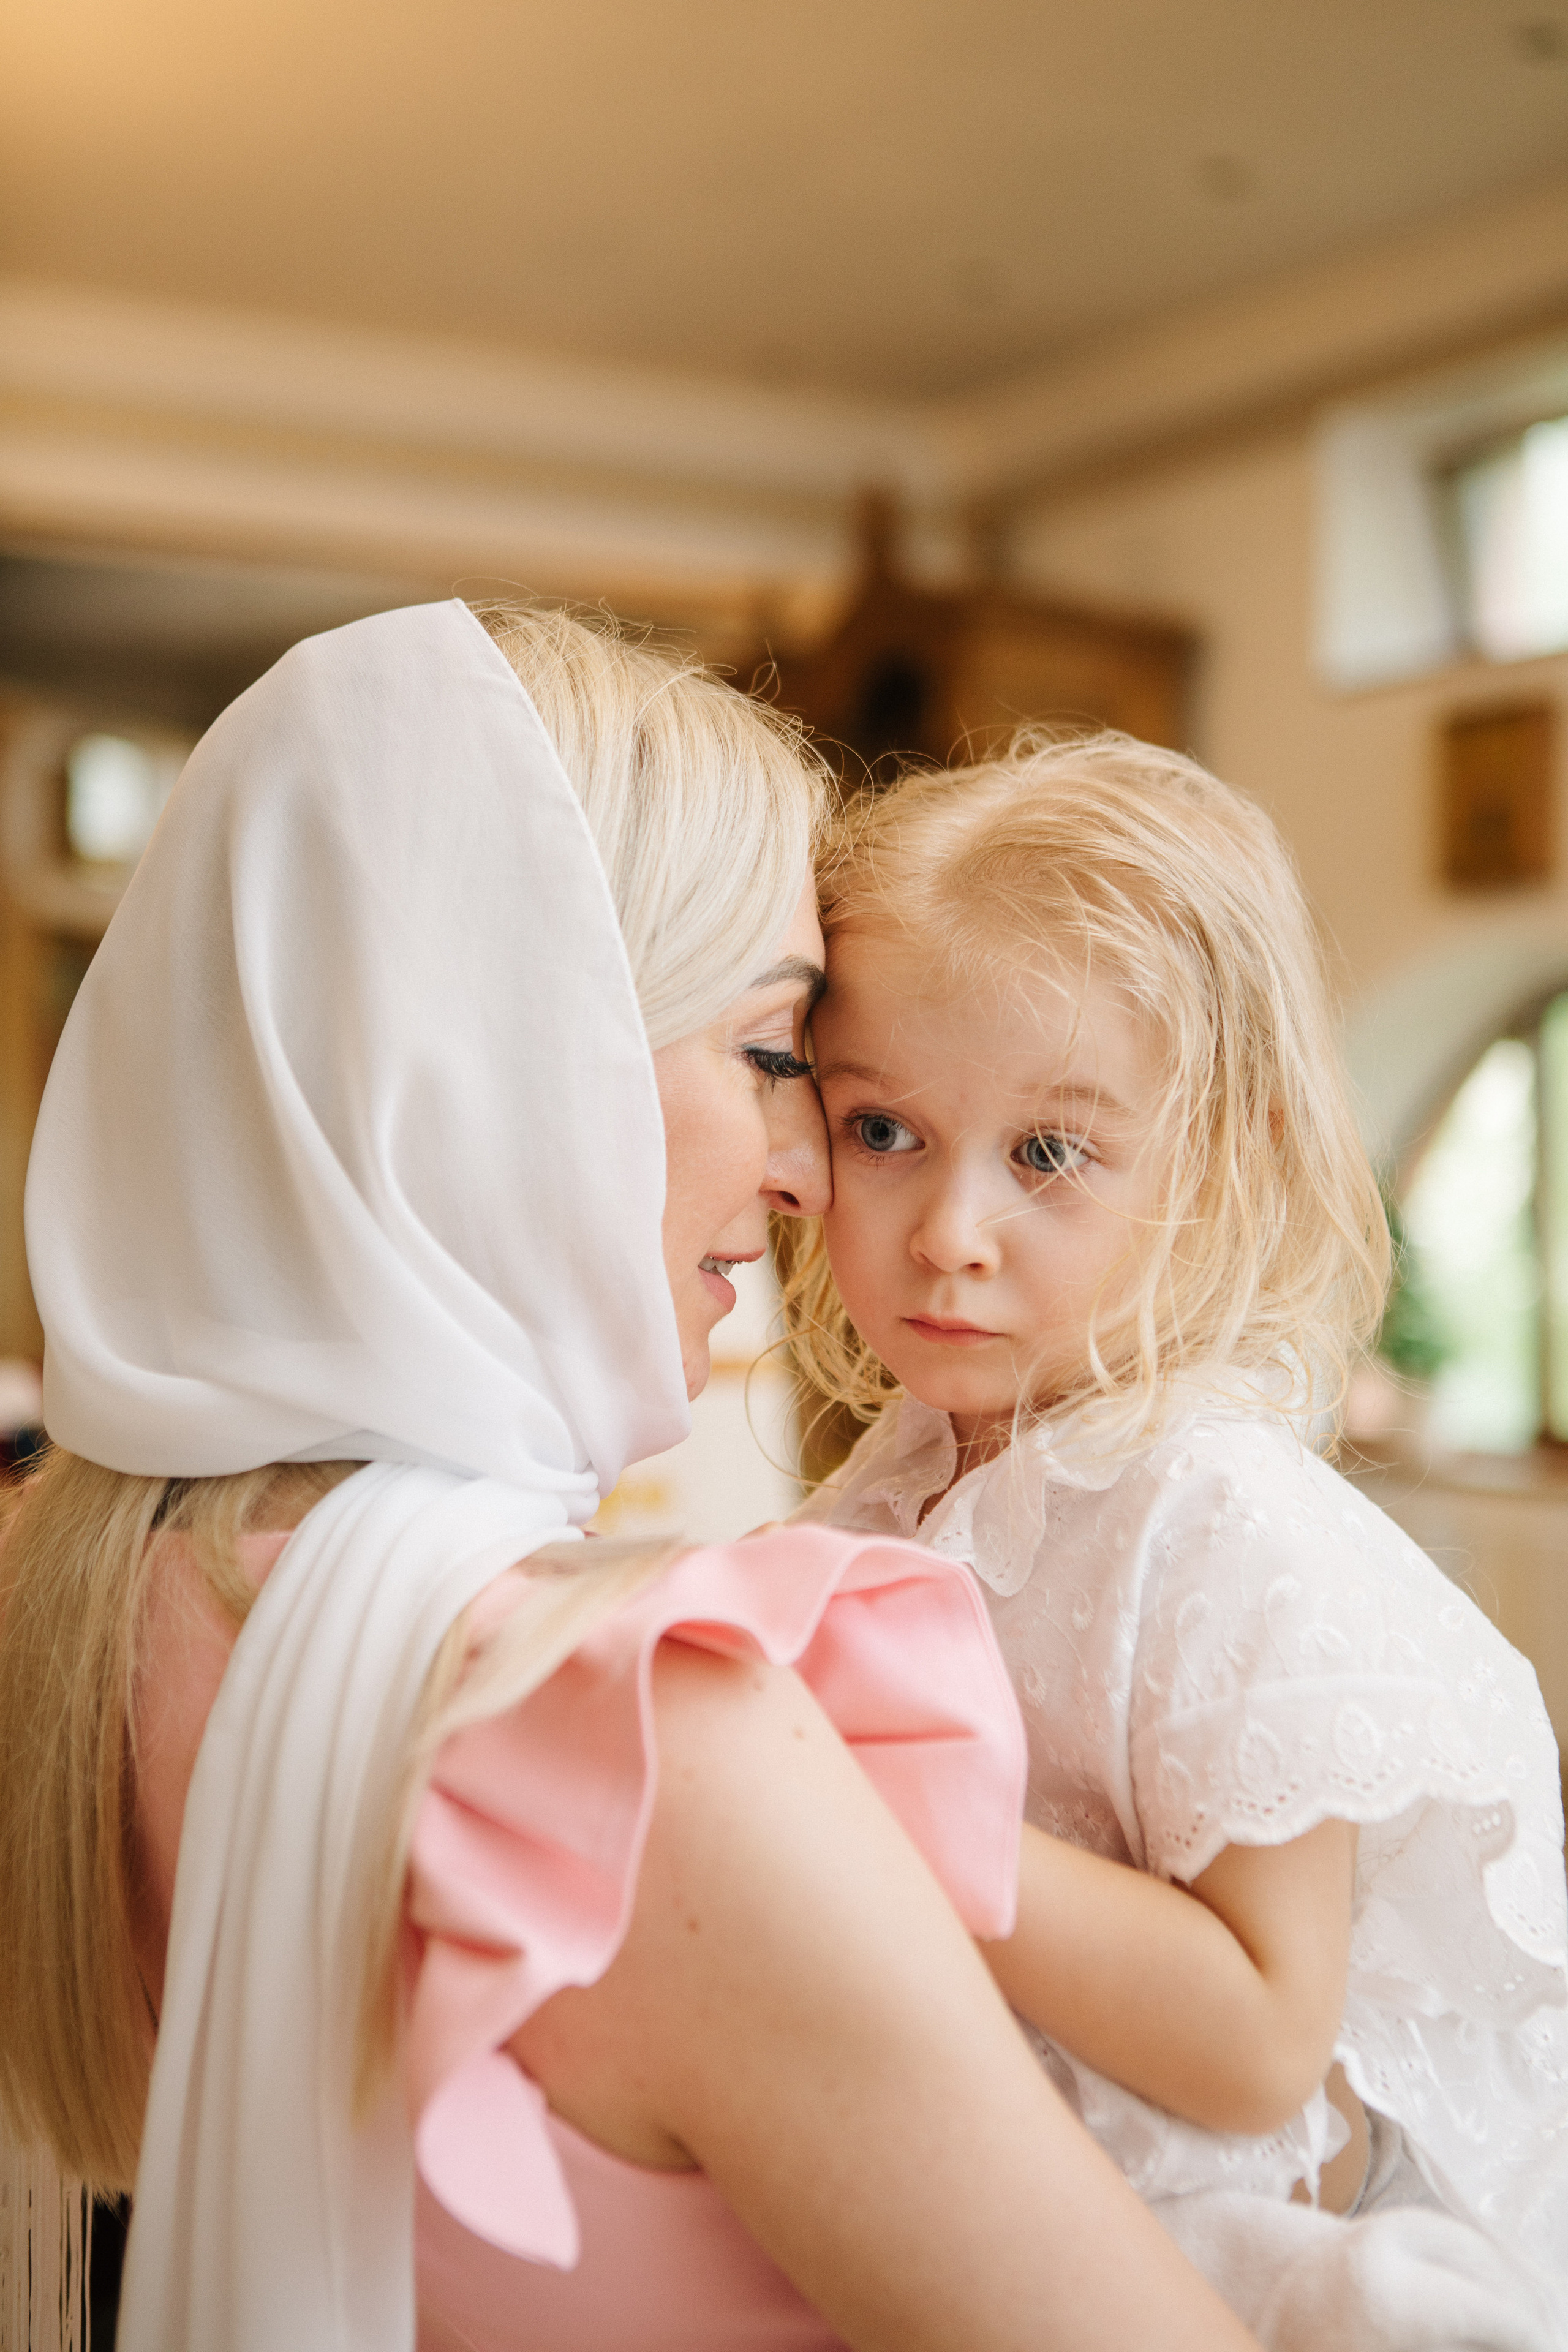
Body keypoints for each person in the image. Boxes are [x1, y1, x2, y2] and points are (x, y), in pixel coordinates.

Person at [0, 604, 1262, 2352]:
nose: (815, 1172)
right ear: (492, 1066)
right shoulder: (646, 1742)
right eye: (769, 1055)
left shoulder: (56, 1604)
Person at [788, 734, 1568, 2349]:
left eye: (1050, 1155)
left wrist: (882, 1814)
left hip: (1226, 2273)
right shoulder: (903, 1478)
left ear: (1215, 1164)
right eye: (884, 1133)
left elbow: (1261, 2037)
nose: (949, 1232)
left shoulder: (1208, 1514)